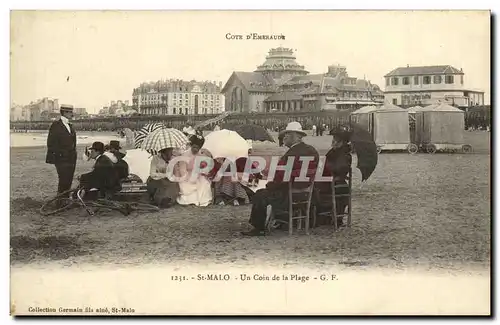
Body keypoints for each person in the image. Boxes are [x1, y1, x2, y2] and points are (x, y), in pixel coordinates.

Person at [242, 122, 319, 236]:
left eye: (286, 135)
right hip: (306, 193)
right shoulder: (312, 150)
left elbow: (281, 178)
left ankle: (258, 227)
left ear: (295, 136)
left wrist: (268, 185)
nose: (284, 137)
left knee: (257, 191)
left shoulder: (291, 154)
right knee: (258, 186)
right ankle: (281, 219)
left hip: (287, 194)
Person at [314, 128, 352, 227]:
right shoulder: (334, 151)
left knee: (313, 189)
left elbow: (340, 168)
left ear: (341, 141)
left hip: (336, 183)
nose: (333, 141)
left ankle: (321, 218)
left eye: (335, 139)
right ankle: (322, 217)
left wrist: (327, 166)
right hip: (331, 181)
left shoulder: (344, 154)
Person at [46, 105, 77, 201]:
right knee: (63, 180)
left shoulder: (70, 125)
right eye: (70, 112)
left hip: (71, 158)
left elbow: (73, 142)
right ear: (65, 112)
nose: (72, 114)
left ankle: (65, 200)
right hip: (61, 159)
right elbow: (51, 143)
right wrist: (60, 155)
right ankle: (60, 202)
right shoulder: (56, 125)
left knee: (68, 180)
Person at [176, 135, 213, 207]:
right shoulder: (184, 155)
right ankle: (192, 200)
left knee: (204, 183)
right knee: (189, 187)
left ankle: (203, 201)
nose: (195, 149)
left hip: (197, 175)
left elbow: (204, 169)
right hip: (186, 176)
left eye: (198, 148)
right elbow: (182, 171)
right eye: (194, 147)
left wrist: (202, 170)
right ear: (191, 146)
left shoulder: (201, 155)